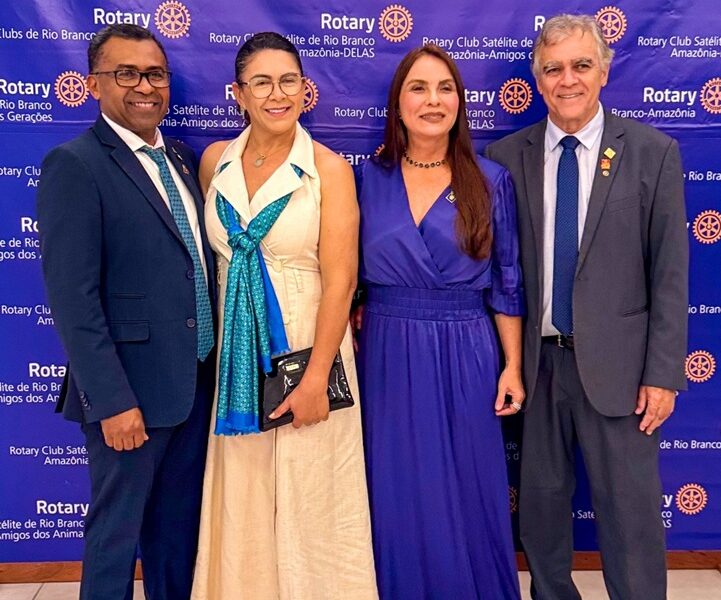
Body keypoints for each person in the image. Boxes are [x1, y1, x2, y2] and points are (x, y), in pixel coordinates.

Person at [485, 14, 688, 600]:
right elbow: (499, 272)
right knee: (541, 511)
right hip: (538, 367)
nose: (567, 80)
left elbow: (670, 274)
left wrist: (662, 374)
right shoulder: (505, 158)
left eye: (580, 65)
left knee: (630, 516)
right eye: (553, 69)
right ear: (537, 80)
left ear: (604, 71)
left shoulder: (652, 152)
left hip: (623, 370)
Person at [190, 32, 377, 599]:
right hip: (238, 354)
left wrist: (317, 376)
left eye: (289, 80)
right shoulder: (214, 162)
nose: (278, 94)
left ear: (305, 88)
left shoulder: (328, 169)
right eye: (262, 82)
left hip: (308, 344)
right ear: (238, 94)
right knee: (244, 486)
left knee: (314, 491)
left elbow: (341, 281)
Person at [36, 24, 216, 600]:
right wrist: (112, 402)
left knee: (176, 533)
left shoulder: (180, 159)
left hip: (194, 384)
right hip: (129, 394)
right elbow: (74, 300)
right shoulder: (75, 164)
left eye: (155, 74)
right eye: (127, 73)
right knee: (116, 535)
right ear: (94, 84)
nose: (144, 86)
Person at [355, 44, 524, 599]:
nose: (433, 100)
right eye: (419, 88)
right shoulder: (367, 178)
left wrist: (512, 366)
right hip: (387, 347)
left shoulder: (491, 179)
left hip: (467, 348)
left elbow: (507, 280)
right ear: (398, 104)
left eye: (445, 88)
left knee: (468, 480)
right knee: (396, 482)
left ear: (460, 102)